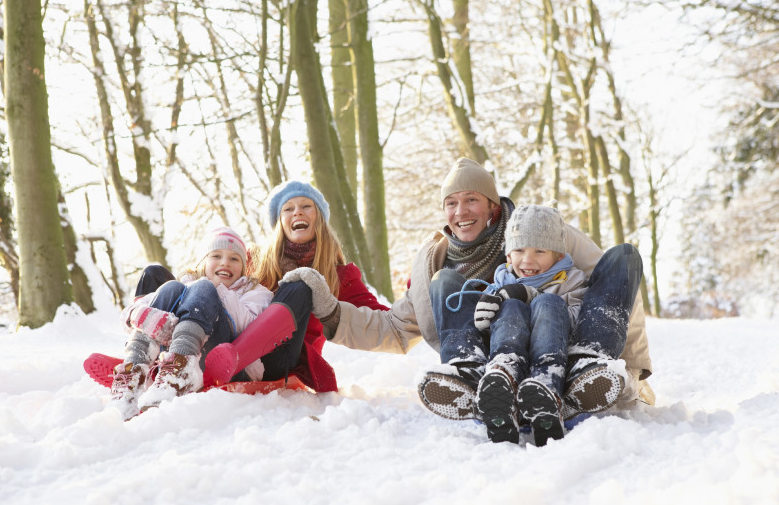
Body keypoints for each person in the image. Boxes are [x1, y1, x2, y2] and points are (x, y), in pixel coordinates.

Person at [287, 157, 653, 421]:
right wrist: (329, 310)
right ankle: (471, 373)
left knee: (622, 257)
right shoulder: (433, 260)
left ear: (492, 206)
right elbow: (395, 330)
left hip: (559, 346)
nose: (461, 210)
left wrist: (634, 369)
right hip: (493, 362)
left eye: (472, 199)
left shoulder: (539, 231)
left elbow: (614, 290)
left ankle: (586, 368)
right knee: (445, 283)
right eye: (451, 203)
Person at [201, 180, 390, 392]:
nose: (297, 212)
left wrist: (418, 300)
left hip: (281, 360)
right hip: (229, 344)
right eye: (288, 209)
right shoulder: (254, 259)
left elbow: (382, 322)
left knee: (302, 282)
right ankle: (172, 361)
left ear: (319, 217)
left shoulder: (339, 276)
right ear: (280, 222)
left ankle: (233, 358)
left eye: (306, 206)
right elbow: (215, 278)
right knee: (159, 275)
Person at [444, 204, 587, 445]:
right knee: (509, 307)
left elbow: (575, 321)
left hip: (551, 359)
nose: (528, 260)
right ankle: (502, 383)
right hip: (510, 355)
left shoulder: (570, 280)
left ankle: (545, 389)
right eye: (519, 250)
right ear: (509, 256)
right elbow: (490, 331)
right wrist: (485, 318)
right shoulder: (500, 283)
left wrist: (530, 294)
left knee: (549, 302)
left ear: (558, 255)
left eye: (540, 251)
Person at [108, 227, 273, 419]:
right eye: (216, 256)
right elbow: (132, 313)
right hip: (171, 355)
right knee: (170, 288)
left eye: (234, 259)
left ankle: (181, 370)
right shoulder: (185, 284)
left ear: (244, 267)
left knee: (202, 288)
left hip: (226, 357)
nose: (225, 262)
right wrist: (138, 314)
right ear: (203, 262)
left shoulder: (253, 291)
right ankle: (132, 375)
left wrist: (212, 289)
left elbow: (248, 325)